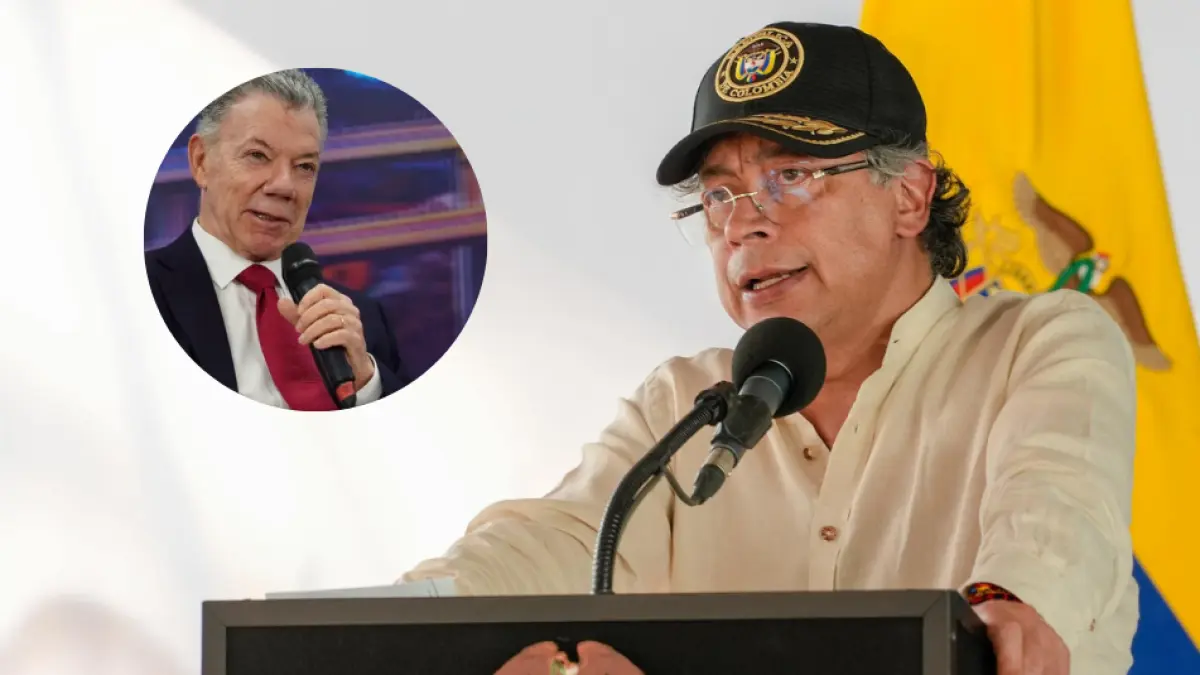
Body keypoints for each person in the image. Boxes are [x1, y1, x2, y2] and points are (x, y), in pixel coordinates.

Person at [401, 22, 1137, 675]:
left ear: (909, 197)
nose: (742, 225)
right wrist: (400, 619)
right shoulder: (686, 400)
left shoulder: (1036, 345)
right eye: (719, 195)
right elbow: (558, 539)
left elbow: (1057, 508)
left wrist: (1012, 601)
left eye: (792, 177)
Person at [145, 70, 409, 410]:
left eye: (304, 167)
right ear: (201, 162)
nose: (285, 186)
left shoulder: (361, 318)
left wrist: (366, 383)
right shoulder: (138, 290)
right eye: (258, 156)